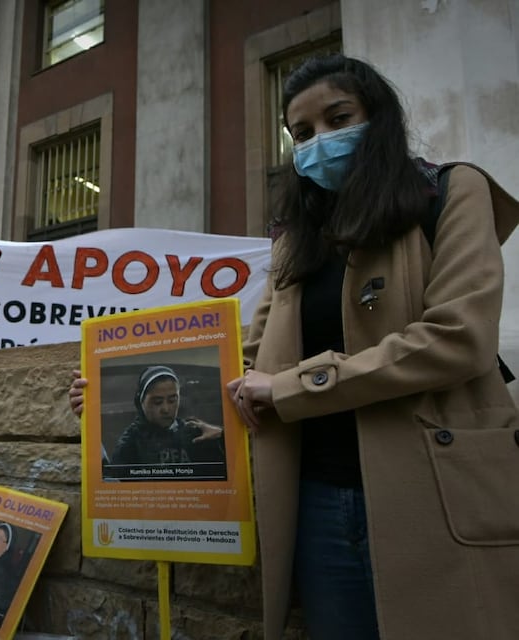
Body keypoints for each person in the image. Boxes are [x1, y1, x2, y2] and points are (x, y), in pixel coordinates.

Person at [222, 54, 519, 639]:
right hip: (317, 503)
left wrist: (290, 388)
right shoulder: (292, 245)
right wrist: (115, 395)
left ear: (377, 118)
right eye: (302, 133)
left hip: (439, 492)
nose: (319, 142)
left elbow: (459, 340)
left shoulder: (453, 192)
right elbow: (247, 367)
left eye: (338, 119)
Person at [104, 365, 223, 479]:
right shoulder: (129, 444)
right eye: (157, 402)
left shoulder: (194, 434)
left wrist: (223, 437)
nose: (166, 409)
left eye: (172, 400)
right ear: (140, 402)